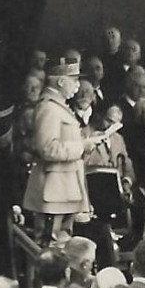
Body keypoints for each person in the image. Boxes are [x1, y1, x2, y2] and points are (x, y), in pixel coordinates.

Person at [22, 57, 90, 242]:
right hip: (52, 194)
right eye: (74, 80)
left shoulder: (60, 108)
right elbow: (48, 148)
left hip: (63, 191)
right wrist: (81, 147)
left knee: (62, 245)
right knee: (50, 247)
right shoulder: (49, 109)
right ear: (61, 81)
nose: (77, 86)